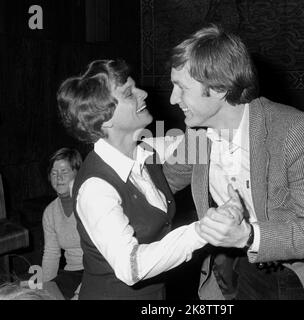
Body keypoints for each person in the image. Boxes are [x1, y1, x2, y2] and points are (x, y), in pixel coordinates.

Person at [162, 24, 304, 300]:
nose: (172, 99)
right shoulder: (198, 134)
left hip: (299, 278)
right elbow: (162, 184)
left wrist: (248, 236)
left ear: (219, 88)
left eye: (181, 88)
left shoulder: (296, 133)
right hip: (239, 273)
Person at [56, 59, 241, 300]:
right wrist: (203, 231)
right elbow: (131, 267)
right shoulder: (95, 188)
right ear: (106, 119)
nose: (143, 93)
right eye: (129, 93)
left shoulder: (144, 152)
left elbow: (198, 143)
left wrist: (217, 111)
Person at [41, 148, 84, 299]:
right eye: (54, 173)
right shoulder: (50, 212)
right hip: (72, 272)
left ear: (78, 173)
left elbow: (102, 256)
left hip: (101, 271)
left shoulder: (89, 203)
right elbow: (51, 254)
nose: (58, 177)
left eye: (64, 172)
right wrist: (45, 289)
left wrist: (81, 292)